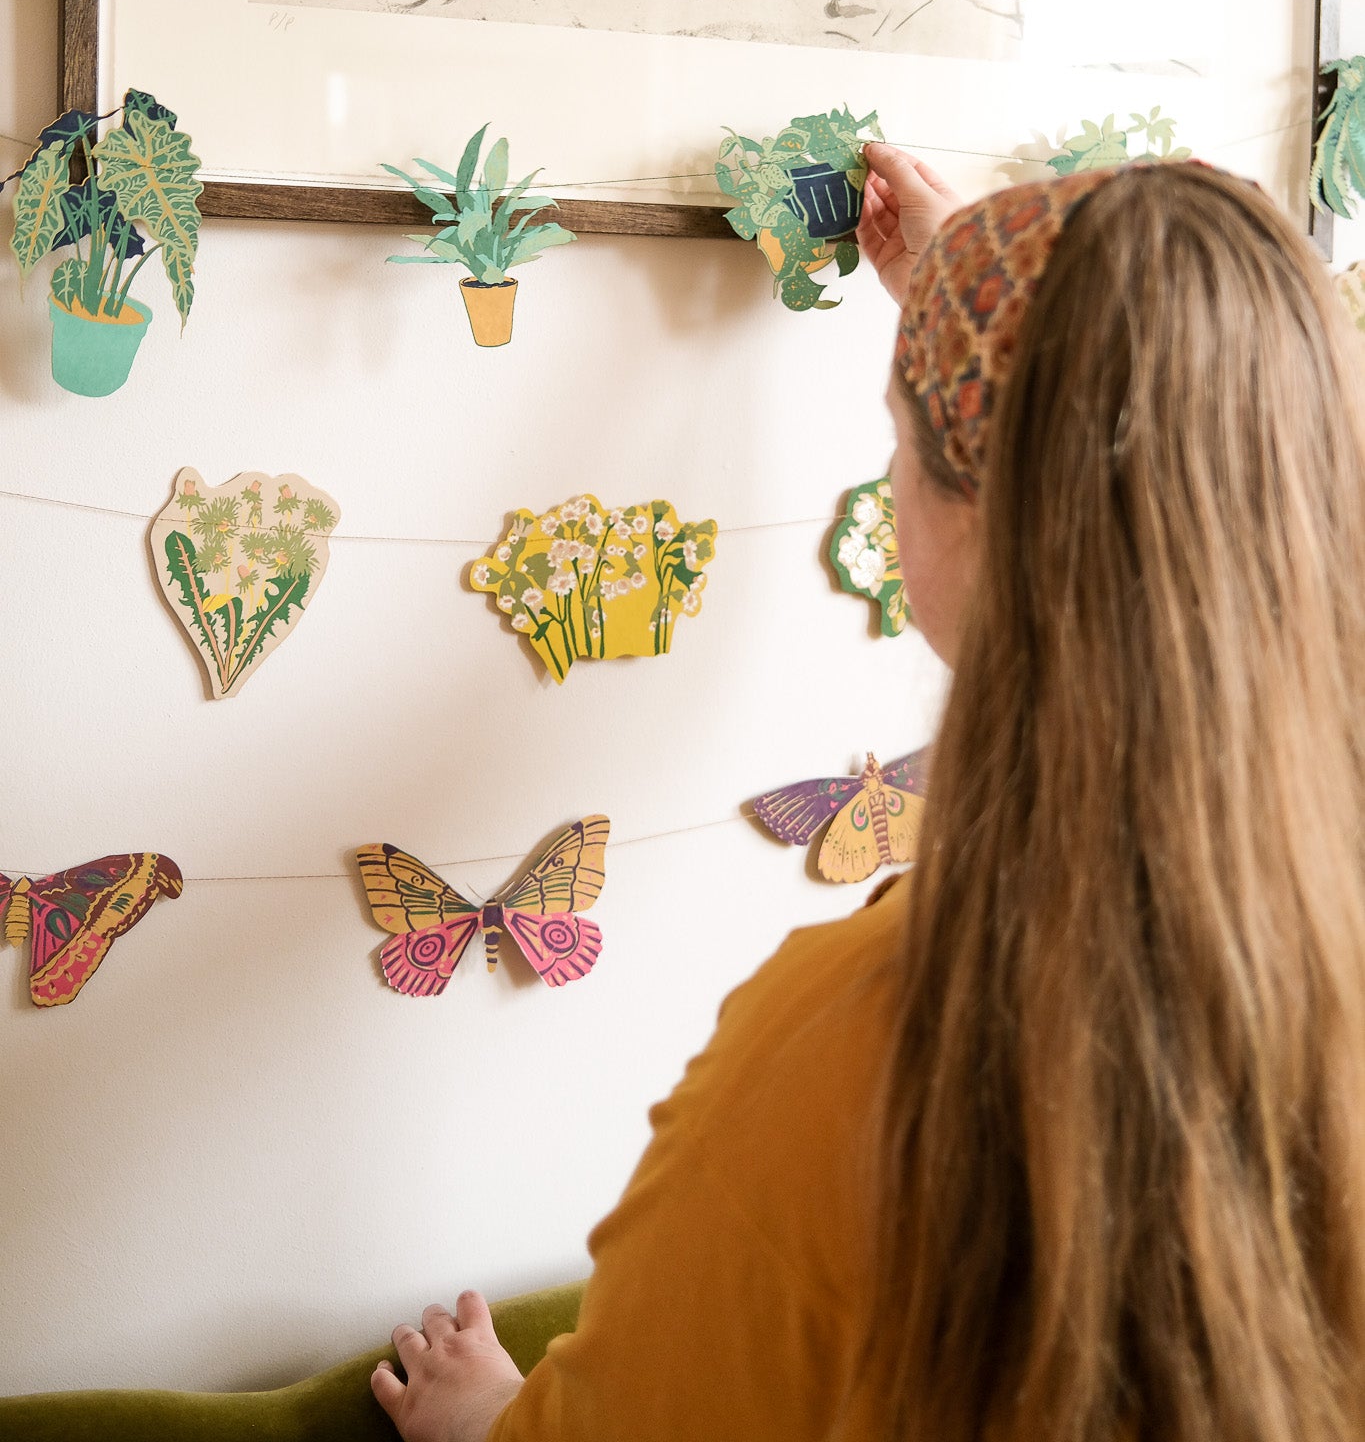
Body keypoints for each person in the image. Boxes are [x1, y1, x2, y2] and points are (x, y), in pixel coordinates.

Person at [372, 148, 1365, 1442]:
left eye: (901, 446)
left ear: (980, 514)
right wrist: (974, 294)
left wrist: (480, 1422)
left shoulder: (872, 1046)